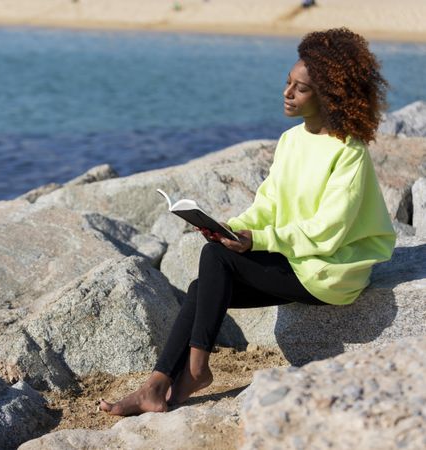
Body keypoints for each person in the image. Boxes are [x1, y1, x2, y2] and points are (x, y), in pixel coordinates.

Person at [99, 27, 397, 416]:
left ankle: (197, 370)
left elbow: (328, 231)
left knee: (216, 262)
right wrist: (228, 228)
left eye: (300, 88)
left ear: (329, 95)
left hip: (330, 271)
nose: (288, 92)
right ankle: (155, 385)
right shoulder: (292, 140)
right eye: (287, 82)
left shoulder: (349, 152)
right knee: (203, 281)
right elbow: (269, 202)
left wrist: (257, 241)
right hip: (296, 261)